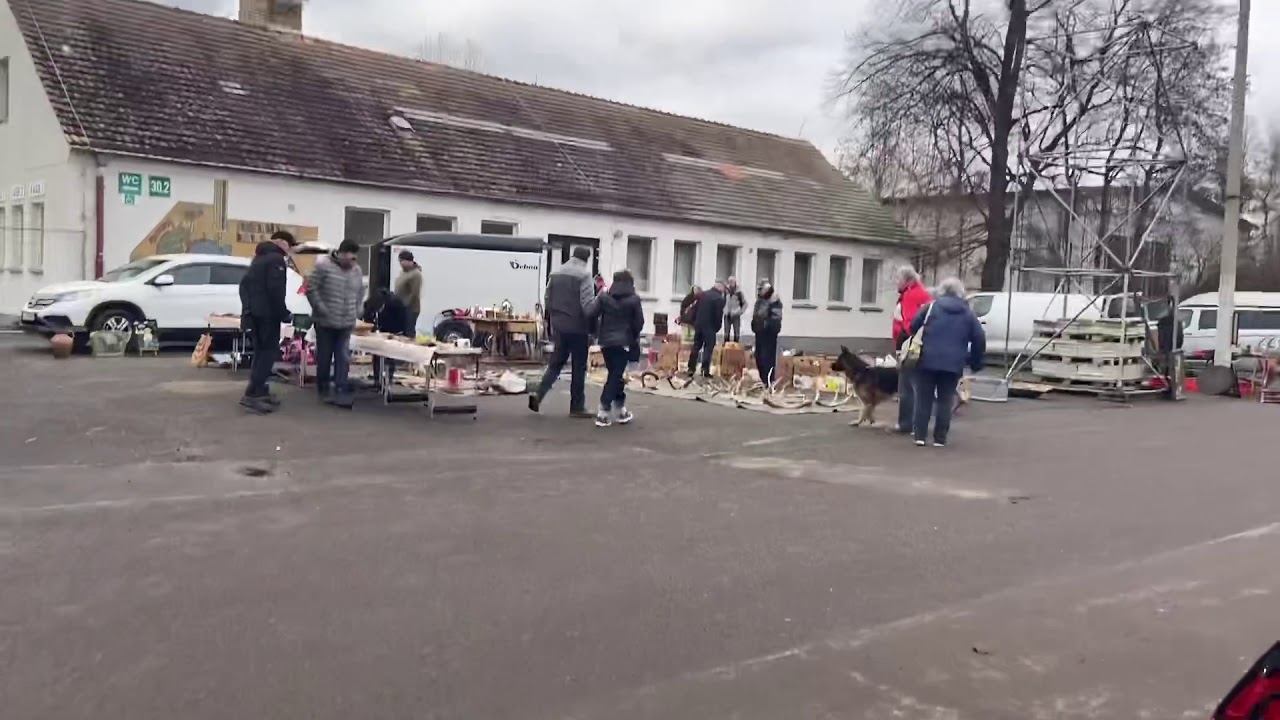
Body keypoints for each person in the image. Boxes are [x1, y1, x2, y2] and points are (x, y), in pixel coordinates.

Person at [908, 277, 985, 448]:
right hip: (953, 363)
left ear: (941, 291)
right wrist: (975, 362)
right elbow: (979, 338)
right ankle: (939, 438)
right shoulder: (968, 313)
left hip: (926, 360)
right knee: (945, 400)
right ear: (960, 293)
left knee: (923, 399)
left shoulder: (931, 308)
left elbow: (912, 326)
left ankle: (920, 436)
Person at [530, 245, 595, 417]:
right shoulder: (585, 275)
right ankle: (577, 407)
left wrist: (554, 317)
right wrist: (594, 323)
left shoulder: (556, 273)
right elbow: (587, 305)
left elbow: (547, 298)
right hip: (578, 328)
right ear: (587, 259)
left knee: (555, 364)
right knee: (578, 367)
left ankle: (538, 395)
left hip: (560, 325)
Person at [238, 230, 297, 414]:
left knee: (260, 353)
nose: (289, 250)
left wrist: (247, 310)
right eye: (289, 244)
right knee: (267, 354)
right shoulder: (275, 260)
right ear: (280, 242)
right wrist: (283, 313)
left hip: (254, 315)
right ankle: (253, 396)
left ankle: (256, 390)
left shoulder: (257, 259)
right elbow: (275, 290)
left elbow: (244, 286)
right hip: (267, 316)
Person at [307, 239, 365, 407]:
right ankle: (323, 388)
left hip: (346, 321)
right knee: (324, 356)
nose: (352, 259)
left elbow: (360, 291)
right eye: (349, 255)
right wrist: (321, 307)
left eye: (354, 257)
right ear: (340, 253)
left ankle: (340, 387)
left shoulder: (356, 270)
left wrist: (358, 309)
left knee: (343, 356)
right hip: (325, 321)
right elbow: (311, 289)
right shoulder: (323, 266)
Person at [585, 269, 644, 427]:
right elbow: (639, 323)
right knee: (615, 376)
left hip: (605, 342)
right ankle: (603, 411)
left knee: (615, 374)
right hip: (623, 343)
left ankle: (621, 410)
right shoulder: (634, 300)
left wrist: (595, 331)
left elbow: (590, 313)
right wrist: (631, 336)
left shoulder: (604, 297)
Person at [892, 265, 933, 435]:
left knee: (906, 387)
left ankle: (906, 424)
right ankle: (917, 423)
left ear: (906, 280)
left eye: (898, 279)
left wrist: (901, 324)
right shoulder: (923, 293)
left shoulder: (910, 295)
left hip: (910, 345)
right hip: (922, 344)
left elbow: (910, 323)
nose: (896, 282)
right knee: (918, 386)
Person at [688, 280, 726, 378]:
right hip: (710, 327)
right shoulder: (718, 298)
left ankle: (690, 369)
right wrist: (717, 327)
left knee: (696, 346)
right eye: (723, 288)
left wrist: (694, 321)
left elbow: (695, 308)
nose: (724, 291)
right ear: (720, 287)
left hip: (699, 325)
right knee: (708, 348)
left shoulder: (703, 295)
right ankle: (705, 370)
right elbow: (718, 315)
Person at [750, 280, 783, 384]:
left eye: (760, 289)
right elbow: (756, 314)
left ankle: (769, 380)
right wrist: (754, 324)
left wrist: (765, 325)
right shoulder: (760, 301)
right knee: (758, 356)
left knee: (767, 357)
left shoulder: (774, 301)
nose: (758, 292)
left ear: (766, 289)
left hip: (769, 334)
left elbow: (776, 318)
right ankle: (764, 380)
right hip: (759, 333)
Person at [394, 250, 423, 338]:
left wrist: (406, 304)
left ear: (409, 261)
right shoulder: (403, 272)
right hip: (400, 306)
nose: (400, 263)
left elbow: (414, 292)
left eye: (402, 261)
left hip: (410, 308)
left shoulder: (415, 274)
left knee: (409, 330)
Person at [723, 276, 747, 343]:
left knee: (736, 333)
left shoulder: (739, 293)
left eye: (732, 281)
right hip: (727, 314)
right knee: (726, 332)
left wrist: (740, 312)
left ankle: (736, 348)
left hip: (736, 315)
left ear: (735, 282)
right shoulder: (725, 291)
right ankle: (726, 347)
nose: (731, 283)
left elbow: (745, 304)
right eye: (730, 281)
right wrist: (724, 310)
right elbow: (722, 302)